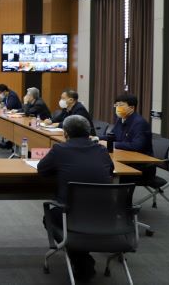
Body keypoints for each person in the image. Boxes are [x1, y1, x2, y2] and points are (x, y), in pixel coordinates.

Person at [37, 115, 114, 281]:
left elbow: (42, 170)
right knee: (81, 217)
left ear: (65, 133)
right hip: (105, 216)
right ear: (88, 132)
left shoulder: (60, 149)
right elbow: (110, 170)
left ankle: (80, 259)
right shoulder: (101, 150)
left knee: (49, 217)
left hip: (71, 215)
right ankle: (82, 257)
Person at [99, 93, 155, 179]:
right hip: (125, 158)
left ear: (131, 108)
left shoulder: (139, 123)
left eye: (121, 105)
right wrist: (96, 138)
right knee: (103, 165)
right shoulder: (121, 119)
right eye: (116, 105)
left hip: (141, 165)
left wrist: (111, 144)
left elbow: (136, 146)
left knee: (105, 171)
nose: (118, 108)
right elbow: (112, 136)